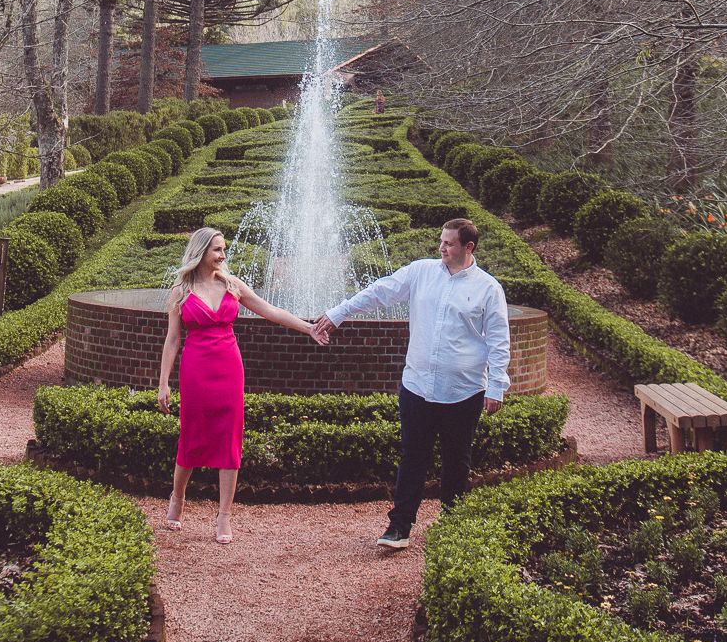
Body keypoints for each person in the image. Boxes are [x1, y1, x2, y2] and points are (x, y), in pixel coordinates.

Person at [313, 218, 510, 550]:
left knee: (456, 460)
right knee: (412, 457)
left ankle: (453, 526)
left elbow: (499, 340)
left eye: (449, 243)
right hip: (417, 385)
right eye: (441, 241)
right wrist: (339, 313)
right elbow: (380, 292)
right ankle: (399, 528)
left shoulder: (488, 289)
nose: (442, 248)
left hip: (464, 390)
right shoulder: (421, 273)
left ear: (468, 247)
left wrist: (496, 386)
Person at [156, 226, 328, 543]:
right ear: (201, 252)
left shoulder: (233, 285)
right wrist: (163, 383)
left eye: (223, 249)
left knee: (229, 438)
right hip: (195, 369)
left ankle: (224, 516)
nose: (223, 255)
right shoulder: (180, 291)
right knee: (191, 435)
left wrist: (308, 328)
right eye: (217, 250)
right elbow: (172, 340)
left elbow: (270, 311)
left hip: (229, 368)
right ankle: (178, 498)